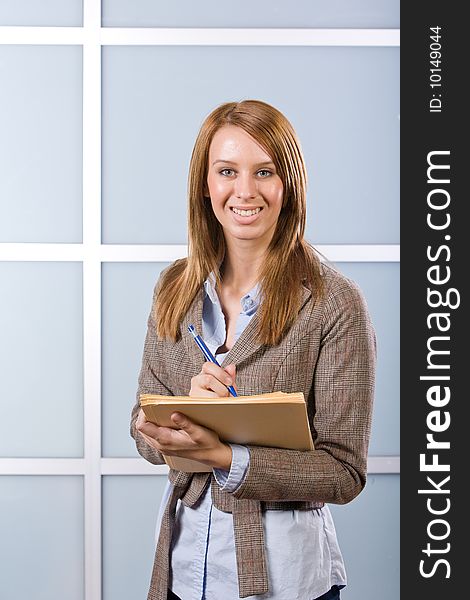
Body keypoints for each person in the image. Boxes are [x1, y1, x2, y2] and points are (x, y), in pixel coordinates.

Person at [130, 99, 376, 600]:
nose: (245, 191)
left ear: (290, 184)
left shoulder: (334, 303)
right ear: (206, 183)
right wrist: (162, 428)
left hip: (286, 581)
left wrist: (225, 455)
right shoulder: (173, 287)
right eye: (227, 171)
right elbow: (144, 427)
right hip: (182, 571)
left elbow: (343, 473)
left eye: (264, 172)